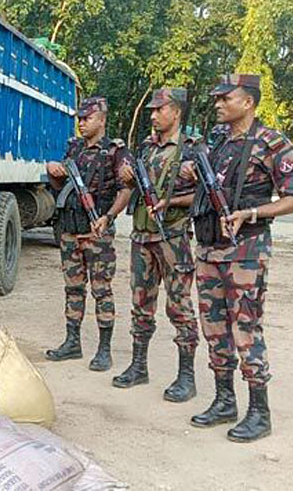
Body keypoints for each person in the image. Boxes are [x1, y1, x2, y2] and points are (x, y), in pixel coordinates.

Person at [186, 74, 293, 443]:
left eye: (226, 98)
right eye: (216, 98)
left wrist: (252, 214)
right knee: (214, 328)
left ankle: (259, 412)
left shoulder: (271, 143)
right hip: (208, 250)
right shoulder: (217, 143)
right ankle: (224, 401)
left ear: (248, 102)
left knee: (245, 328)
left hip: (245, 253)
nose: (218, 104)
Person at [113, 88, 200, 402]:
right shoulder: (147, 147)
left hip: (173, 239)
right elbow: (138, 187)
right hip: (142, 238)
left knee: (180, 308)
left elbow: (205, 196)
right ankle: (139, 366)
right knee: (140, 305)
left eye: (159, 110)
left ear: (176, 112)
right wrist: (128, 176)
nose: (152, 115)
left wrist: (169, 202)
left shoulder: (193, 149)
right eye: (151, 110)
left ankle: (186, 377)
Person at [45, 96, 131, 371]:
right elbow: (60, 186)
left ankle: (104, 350)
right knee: (73, 288)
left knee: (101, 290)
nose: (81, 123)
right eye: (79, 118)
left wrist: (108, 217)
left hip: (97, 231)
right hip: (70, 228)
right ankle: (72, 342)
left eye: (87, 118)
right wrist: (53, 171)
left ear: (102, 120)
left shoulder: (116, 151)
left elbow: (126, 190)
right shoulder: (74, 149)